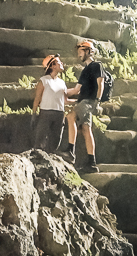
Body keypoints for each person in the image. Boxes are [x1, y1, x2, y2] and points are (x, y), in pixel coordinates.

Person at [61, 40, 104, 173]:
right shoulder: (85, 70)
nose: (79, 55)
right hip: (83, 101)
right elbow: (76, 90)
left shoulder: (97, 65)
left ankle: (70, 151)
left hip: (87, 102)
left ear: (88, 51)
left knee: (70, 116)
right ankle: (92, 162)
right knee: (86, 129)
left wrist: (97, 100)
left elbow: (100, 83)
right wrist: (61, 91)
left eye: (80, 52)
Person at [32, 54, 70, 152]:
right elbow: (37, 98)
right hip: (46, 113)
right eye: (59, 62)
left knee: (56, 139)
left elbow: (65, 100)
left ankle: (51, 155)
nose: (62, 63)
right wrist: (34, 113)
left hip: (59, 114)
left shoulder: (62, 82)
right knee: (41, 136)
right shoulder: (44, 81)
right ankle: (38, 155)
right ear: (52, 66)